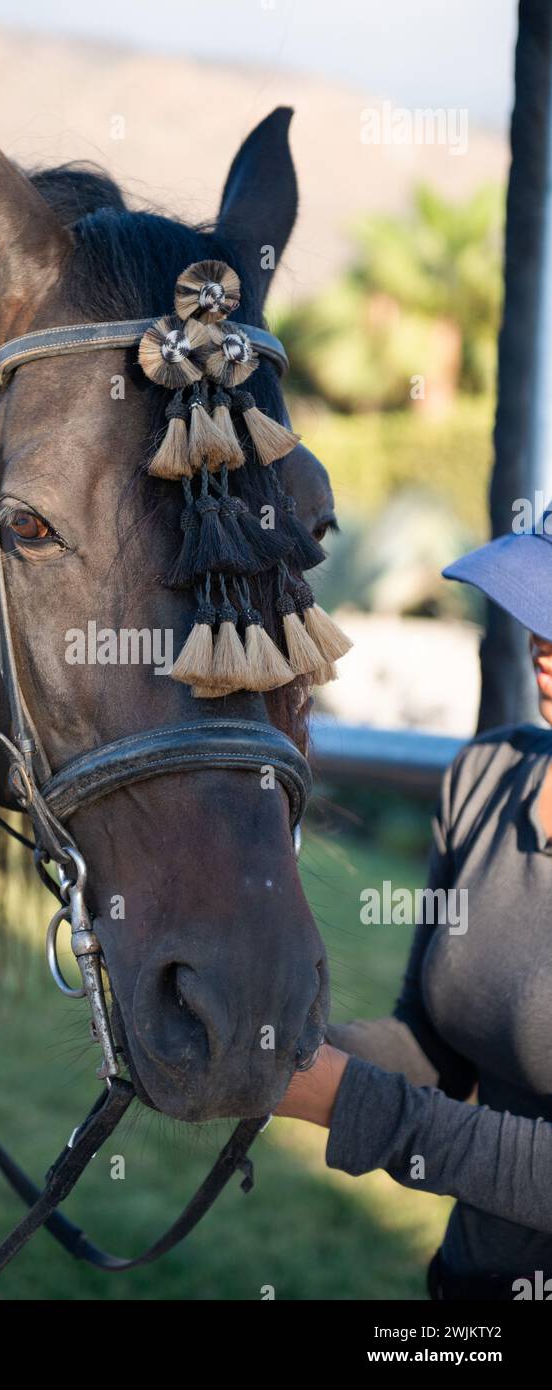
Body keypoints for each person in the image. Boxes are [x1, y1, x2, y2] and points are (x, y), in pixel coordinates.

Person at [279, 514, 552, 1300]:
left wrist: (344, 1101)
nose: (539, 638)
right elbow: (432, 1046)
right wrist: (267, 1052)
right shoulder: (486, 777)